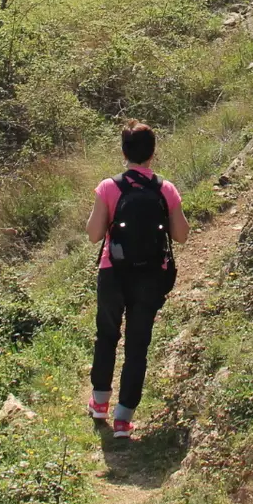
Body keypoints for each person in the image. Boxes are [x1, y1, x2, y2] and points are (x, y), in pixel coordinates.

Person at [86, 119, 190, 439]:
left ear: (123, 152)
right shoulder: (165, 188)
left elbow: (93, 235)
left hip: (112, 272)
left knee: (107, 335)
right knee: (137, 346)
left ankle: (99, 403)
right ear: (152, 154)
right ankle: (123, 419)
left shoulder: (109, 187)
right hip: (149, 277)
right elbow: (182, 235)